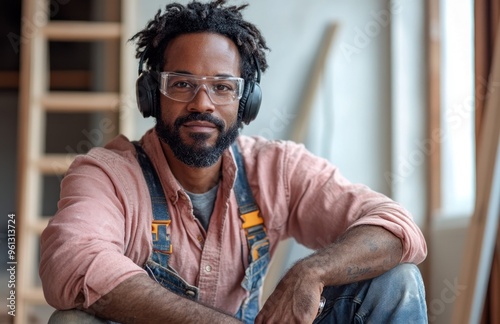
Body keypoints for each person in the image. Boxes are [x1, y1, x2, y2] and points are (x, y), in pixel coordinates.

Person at [40, 1, 428, 323]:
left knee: (397, 281)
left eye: (223, 87)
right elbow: (71, 261)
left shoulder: (278, 169)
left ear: (246, 104)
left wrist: (311, 272)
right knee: (72, 321)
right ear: (151, 95)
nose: (202, 104)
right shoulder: (107, 174)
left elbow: (395, 228)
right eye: (181, 84)